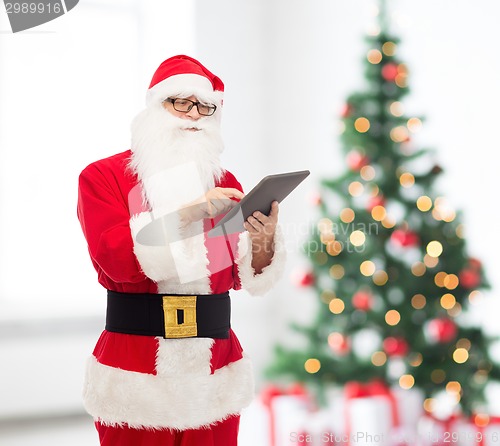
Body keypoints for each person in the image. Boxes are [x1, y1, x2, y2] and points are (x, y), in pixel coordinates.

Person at [77, 54, 286, 446]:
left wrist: (262, 242)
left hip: (214, 372)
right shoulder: (101, 177)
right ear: (156, 107)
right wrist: (189, 214)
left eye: (205, 106)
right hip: (135, 374)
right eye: (182, 102)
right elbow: (117, 259)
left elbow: (233, 274)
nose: (194, 115)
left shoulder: (225, 182)